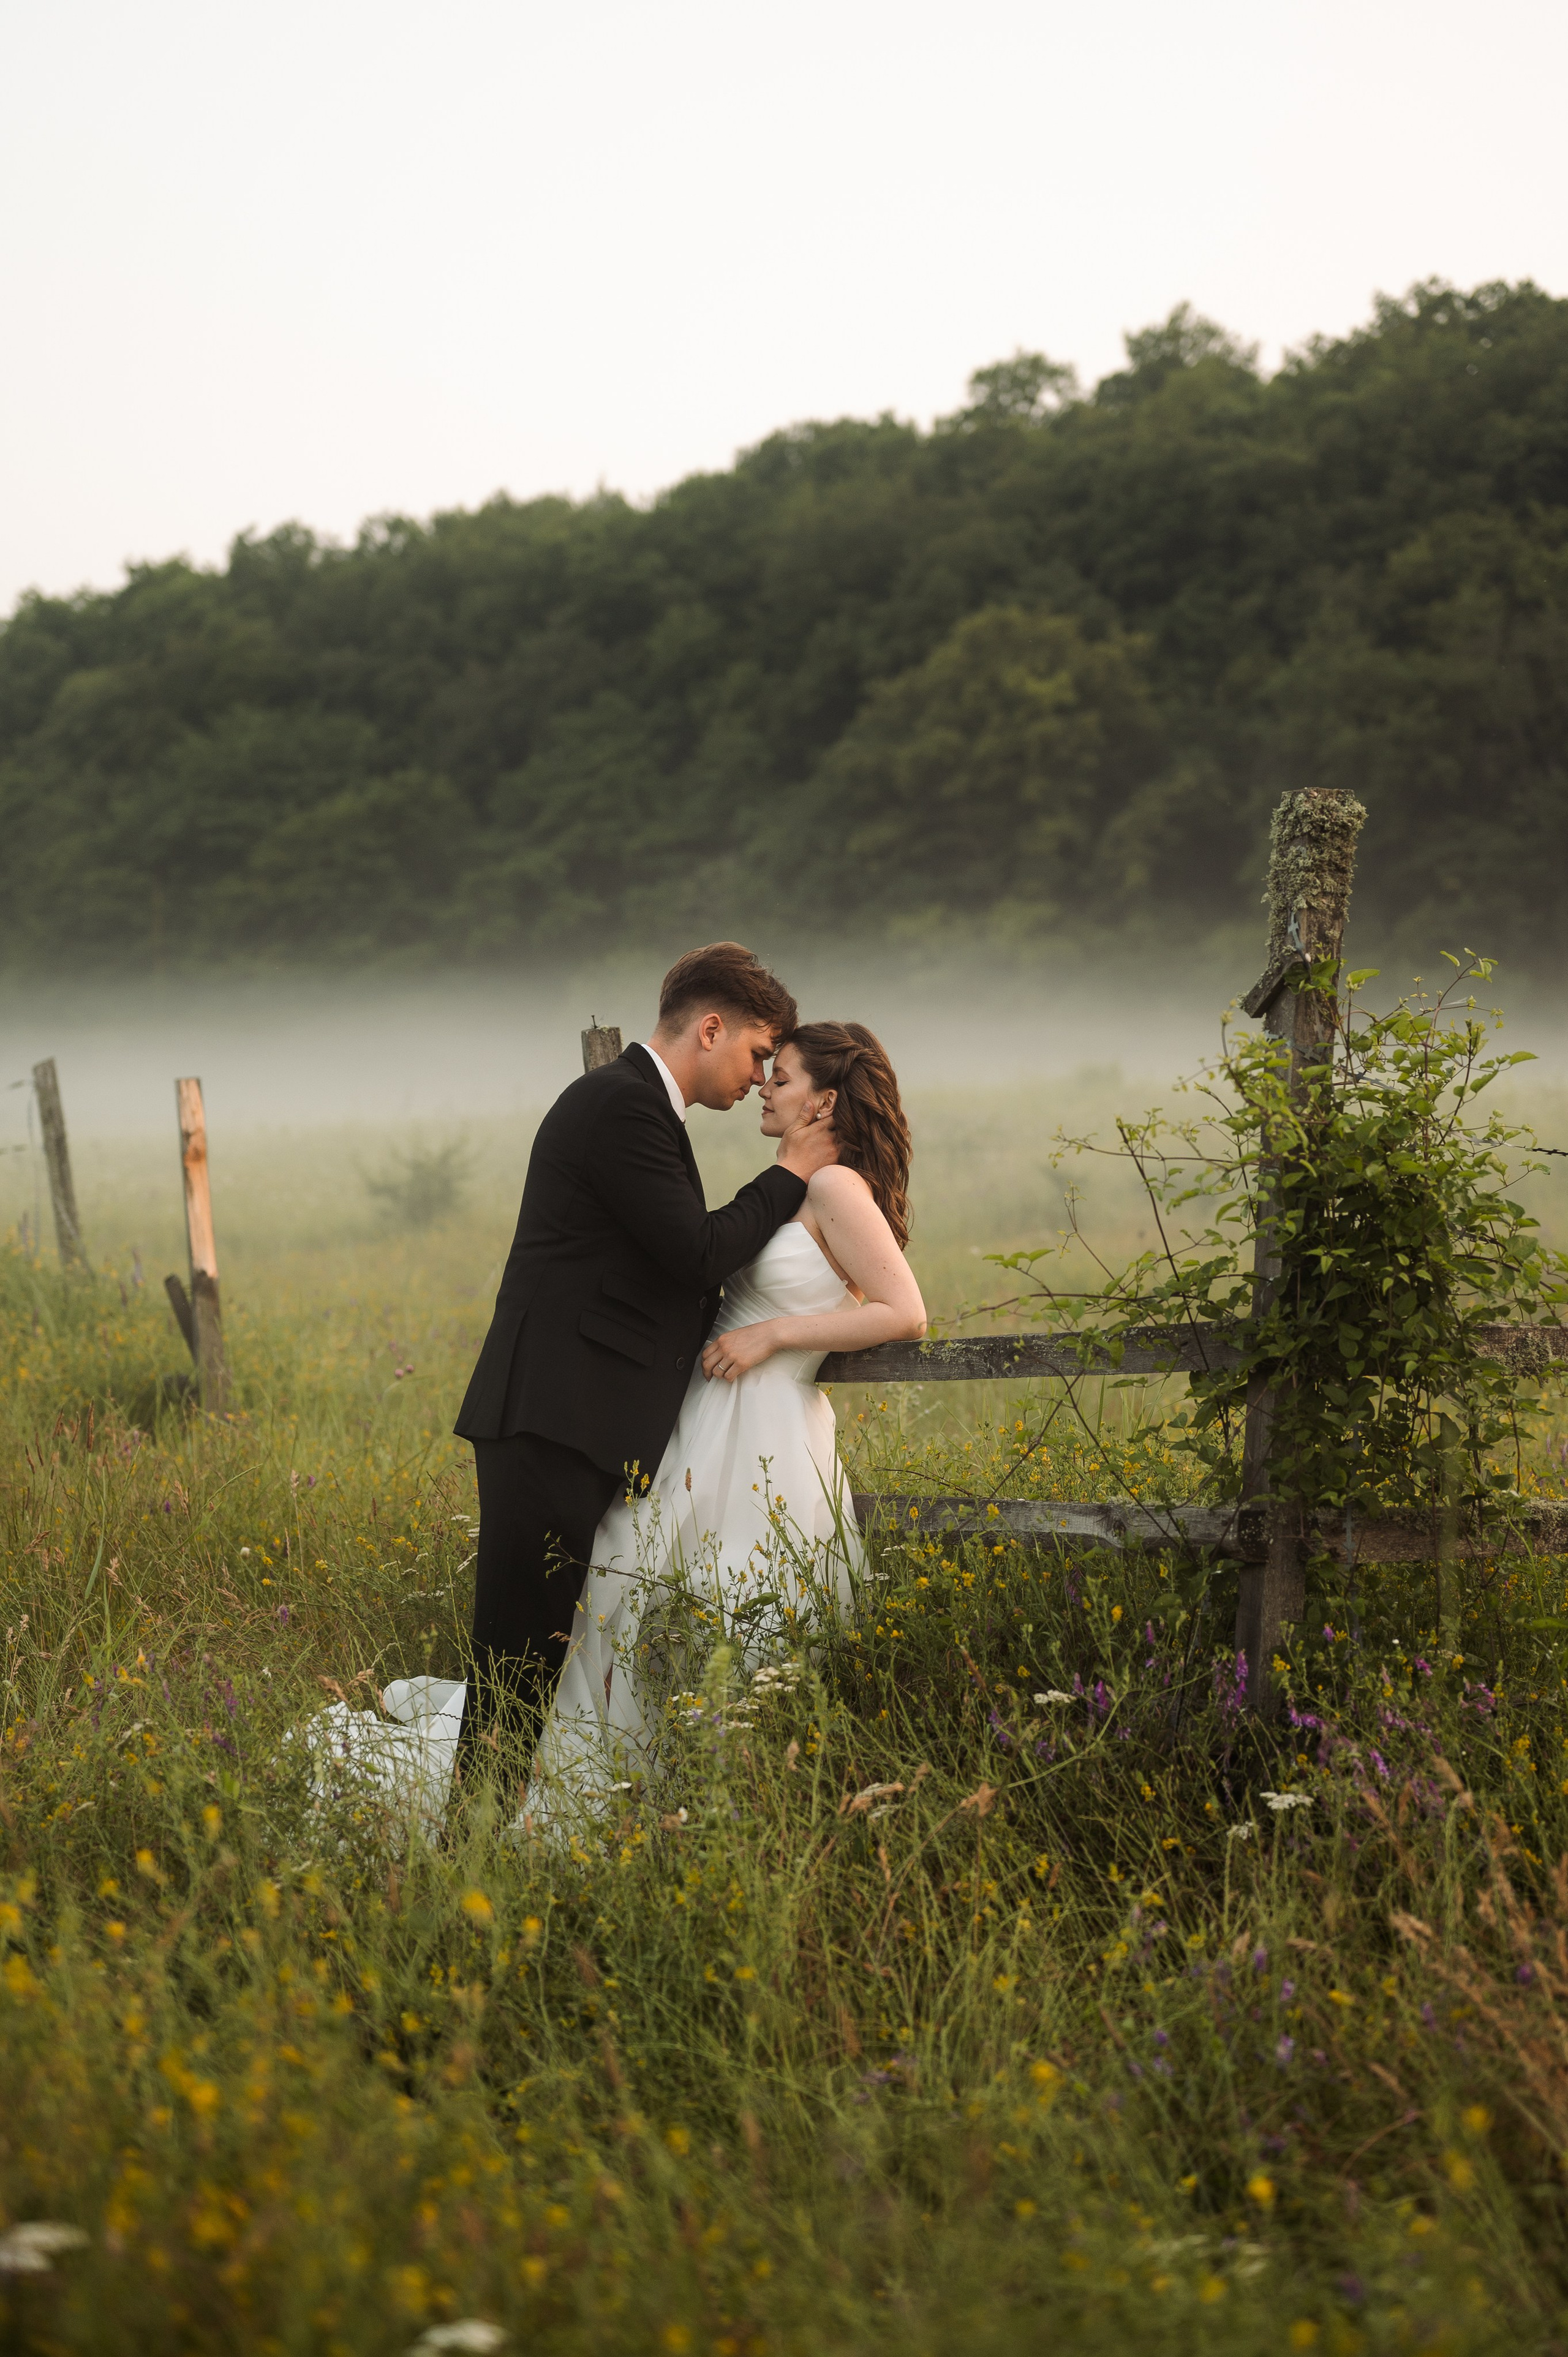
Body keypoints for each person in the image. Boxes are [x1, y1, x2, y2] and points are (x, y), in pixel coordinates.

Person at [450, 943, 839, 1768]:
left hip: (576, 1422)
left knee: (534, 1669)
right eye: (757, 1052)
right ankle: (467, 1853)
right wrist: (793, 1169)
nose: (761, 1076)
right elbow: (696, 1254)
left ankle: (486, 1841)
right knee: (515, 1670)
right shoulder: (620, 1107)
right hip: (552, 1419)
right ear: (709, 1028)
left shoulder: (643, 1112)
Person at [533, 1020, 926, 1804]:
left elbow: (905, 1311)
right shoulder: (794, 1181)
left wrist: (775, 1334)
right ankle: (626, 1772)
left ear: (826, 1100)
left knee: (737, 1601)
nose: (763, 1086)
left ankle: (726, 1781)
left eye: (780, 1077)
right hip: (703, 1417)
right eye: (766, 1070)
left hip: (766, 1430)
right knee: (624, 1584)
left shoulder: (836, 1187)